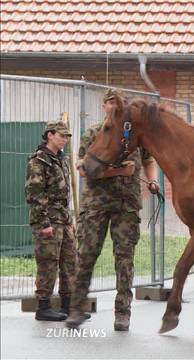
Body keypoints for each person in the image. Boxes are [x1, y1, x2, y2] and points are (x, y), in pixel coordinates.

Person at [66, 89, 159, 331]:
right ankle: (76, 309)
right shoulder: (94, 134)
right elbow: (85, 170)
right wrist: (120, 172)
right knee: (85, 255)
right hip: (96, 205)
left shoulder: (133, 135)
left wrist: (152, 180)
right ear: (103, 107)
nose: (113, 107)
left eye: (118, 104)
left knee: (124, 260)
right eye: (109, 103)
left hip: (126, 206)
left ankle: (122, 313)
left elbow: (149, 160)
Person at [25, 121, 80, 321]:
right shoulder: (39, 161)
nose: (64, 140)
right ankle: (44, 307)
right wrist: (44, 223)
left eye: (66, 136)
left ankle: (67, 306)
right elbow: (34, 194)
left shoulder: (61, 159)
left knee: (69, 263)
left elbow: (65, 195)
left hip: (63, 220)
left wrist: (69, 220)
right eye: (62, 135)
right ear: (50, 135)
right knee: (48, 263)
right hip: (48, 220)